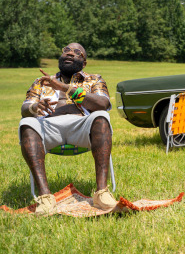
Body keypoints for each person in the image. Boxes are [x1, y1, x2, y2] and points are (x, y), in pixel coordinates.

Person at [19, 43, 117, 215]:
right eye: (67, 51)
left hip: (82, 125)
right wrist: (35, 108)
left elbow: (103, 104)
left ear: (84, 63)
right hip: (48, 127)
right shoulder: (41, 82)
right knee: (26, 123)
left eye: (77, 52)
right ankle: (45, 198)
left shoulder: (94, 79)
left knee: (102, 117)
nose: (70, 53)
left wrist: (64, 88)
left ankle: (101, 193)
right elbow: (25, 108)